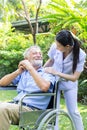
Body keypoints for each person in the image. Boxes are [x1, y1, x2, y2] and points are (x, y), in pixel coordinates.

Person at [0, 45, 55, 130]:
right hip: (17, 105)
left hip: (33, 110)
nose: (39, 55)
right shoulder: (23, 73)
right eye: (34, 53)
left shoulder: (47, 72)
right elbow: (2, 83)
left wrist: (30, 68)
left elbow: (44, 87)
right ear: (26, 59)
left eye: (40, 53)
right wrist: (18, 71)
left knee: (2, 109)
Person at [44, 30, 86, 130]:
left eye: (59, 46)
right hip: (54, 82)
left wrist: (57, 73)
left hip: (69, 84)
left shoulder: (81, 55)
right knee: (53, 110)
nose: (56, 47)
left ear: (67, 46)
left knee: (73, 111)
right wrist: (41, 71)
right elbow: (51, 61)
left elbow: (75, 77)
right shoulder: (55, 46)